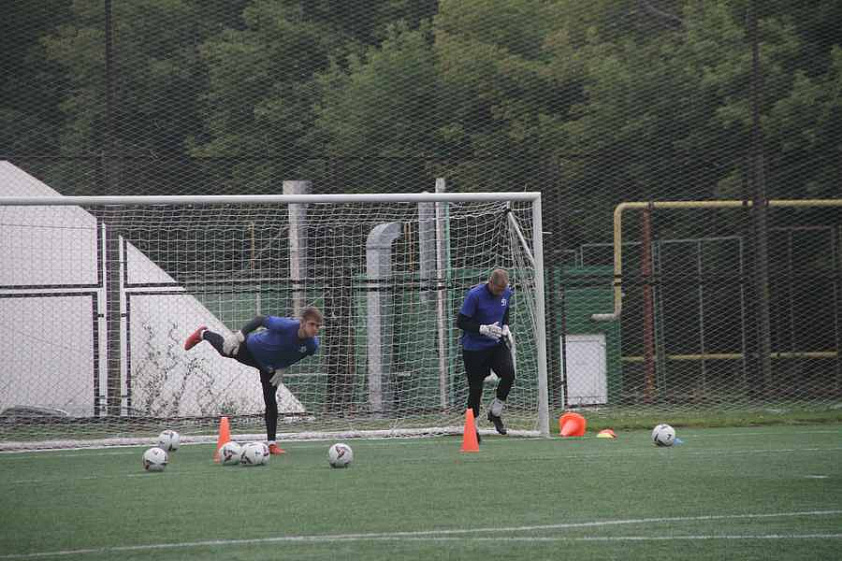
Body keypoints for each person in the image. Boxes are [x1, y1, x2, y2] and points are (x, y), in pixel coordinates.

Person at [183, 306, 323, 455]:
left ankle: (272, 444)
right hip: (251, 348)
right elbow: (260, 319)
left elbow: (300, 354)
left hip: (269, 367)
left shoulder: (312, 345)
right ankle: (203, 333)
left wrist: (284, 366)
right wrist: (240, 335)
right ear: (302, 322)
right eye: (312, 324)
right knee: (225, 350)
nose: (315, 329)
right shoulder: (286, 325)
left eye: (318, 326)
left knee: (270, 400)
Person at [457, 268, 515, 440]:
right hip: (474, 348)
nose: (500, 293)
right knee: (476, 388)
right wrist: (481, 328)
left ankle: (495, 412)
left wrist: (506, 327)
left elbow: (505, 311)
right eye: (498, 289)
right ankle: (472, 427)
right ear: (490, 283)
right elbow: (461, 321)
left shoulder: (507, 293)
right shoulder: (474, 295)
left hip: (495, 344)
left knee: (509, 374)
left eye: (503, 290)